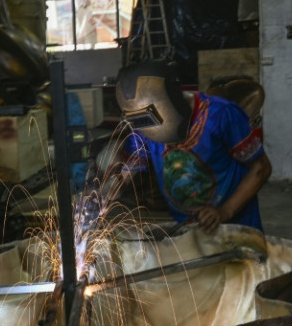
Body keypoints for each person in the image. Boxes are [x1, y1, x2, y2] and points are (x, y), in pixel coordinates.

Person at [115, 61, 272, 233]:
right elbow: (129, 170)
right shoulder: (141, 125)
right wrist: (105, 193)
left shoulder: (220, 114)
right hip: (188, 232)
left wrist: (224, 211)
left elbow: (261, 168)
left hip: (237, 230)